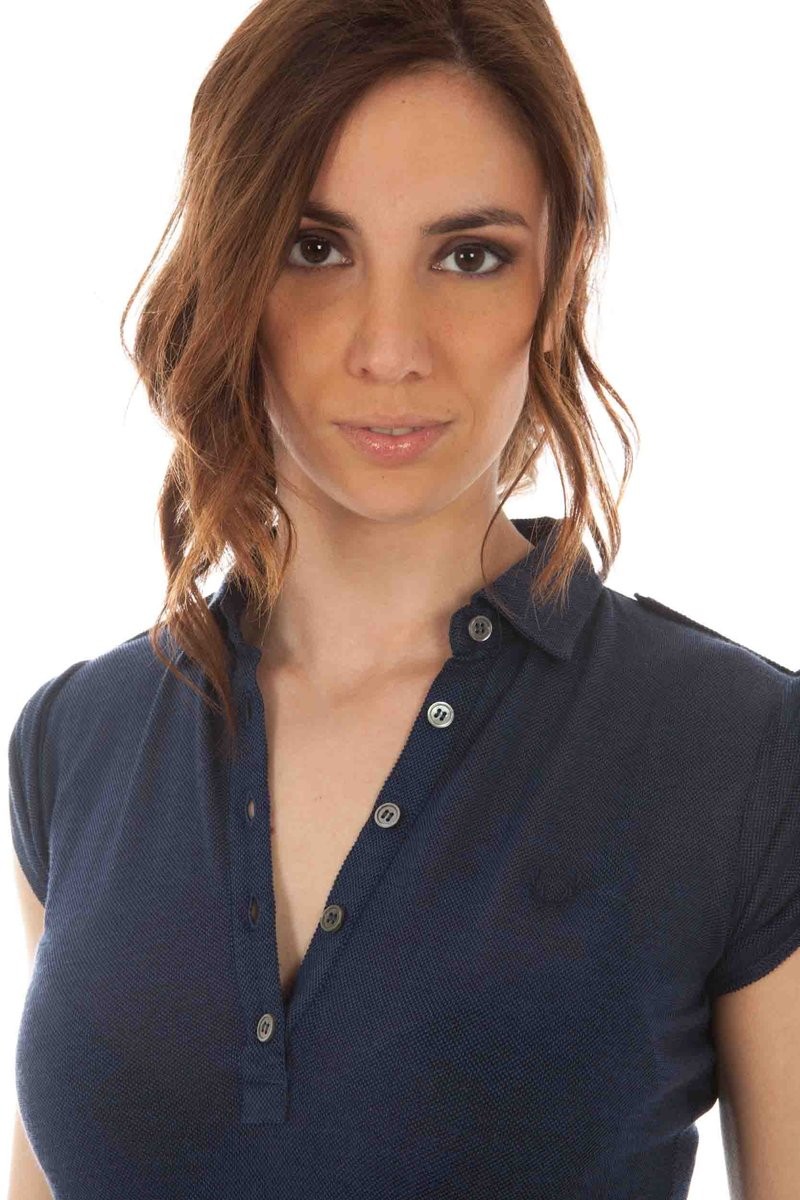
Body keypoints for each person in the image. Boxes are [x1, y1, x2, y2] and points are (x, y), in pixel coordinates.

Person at [8, 1, 799, 1198]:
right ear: (228, 267)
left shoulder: (737, 755)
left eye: (468, 255)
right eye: (313, 249)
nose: (390, 348)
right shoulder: (76, 743)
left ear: (561, 273)